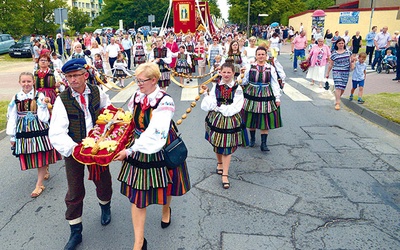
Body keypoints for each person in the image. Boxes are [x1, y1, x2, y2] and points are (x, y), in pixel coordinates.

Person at [114, 62, 191, 250]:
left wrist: (130, 151)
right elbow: (131, 117)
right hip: (139, 144)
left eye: (141, 81)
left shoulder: (165, 101)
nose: (138, 84)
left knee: (166, 183)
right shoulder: (138, 96)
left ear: (154, 80)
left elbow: (156, 132)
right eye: (136, 80)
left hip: (159, 144)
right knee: (138, 195)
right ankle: (139, 242)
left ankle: (166, 209)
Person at [48, 58, 113, 250]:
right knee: (75, 190)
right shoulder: (62, 99)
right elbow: (57, 131)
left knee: (103, 181)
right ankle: (76, 232)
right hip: (74, 149)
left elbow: (107, 109)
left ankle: (105, 207)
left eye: (76, 75)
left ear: (85, 75)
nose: (73, 80)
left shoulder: (95, 91)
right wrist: (74, 149)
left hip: (96, 147)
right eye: (69, 76)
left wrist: (105, 131)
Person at [6, 72, 61, 198]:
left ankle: (39, 184)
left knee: (40, 154)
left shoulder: (39, 95)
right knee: (31, 155)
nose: (26, 84)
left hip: (38, 127)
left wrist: (42, 106)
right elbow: (12, 117)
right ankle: (45, 168)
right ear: (19, 83)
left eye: (29, 81)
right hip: (23, 130)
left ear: (33, 82)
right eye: (24, 82)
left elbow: (44, 117)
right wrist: (12, 136)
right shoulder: (16, 98)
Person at [200, 62, 244, 189]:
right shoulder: (217, 86)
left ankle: (225, 174)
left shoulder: (237, 88)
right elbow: (210, 102)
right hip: (216, 119)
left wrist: (219, 107)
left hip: (230, 120)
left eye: (229, 72)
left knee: (227, 146)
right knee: (217, 143)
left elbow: (235, 107)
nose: (226, 75)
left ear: (233, 73)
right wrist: (207, 94)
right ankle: (219, 162)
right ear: (220, 73)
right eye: (224, 72)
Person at [239, 46, 283, 151]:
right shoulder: (250, 66)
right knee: (251, 117)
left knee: (264, 118)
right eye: (259, 54)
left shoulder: (270, 68)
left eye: (263, 54)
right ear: (256, 56)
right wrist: (241, 75)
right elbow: (244, 81)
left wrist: (277, 98)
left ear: (266, 56)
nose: (261, 56)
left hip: (265, 93)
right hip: (251, 93)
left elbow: (274, 83)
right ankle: (252, 139)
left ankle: (264, 144)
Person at [325, 38, 356, 110]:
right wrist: (327, 73)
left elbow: (352, 61)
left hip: (345, 72)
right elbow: (330, 64)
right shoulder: (334, 54)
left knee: (342, 88)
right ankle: (337, 103)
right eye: (339, 43)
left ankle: (337, 97)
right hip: (337, 71)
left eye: (342, 43)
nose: (341, 45)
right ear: (336, 44)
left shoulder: (348, 52)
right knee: (338, 86)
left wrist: (353, 62)